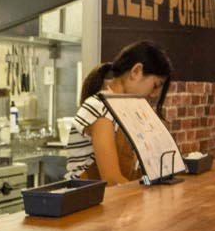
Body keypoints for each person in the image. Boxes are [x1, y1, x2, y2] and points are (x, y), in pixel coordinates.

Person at [66, 41, 172, 184]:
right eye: (155, 85)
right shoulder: (99, 108)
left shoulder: (125, 110)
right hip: (86, 202)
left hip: (114, 200)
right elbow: (111, 180)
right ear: (136, 71)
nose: (154, 94)